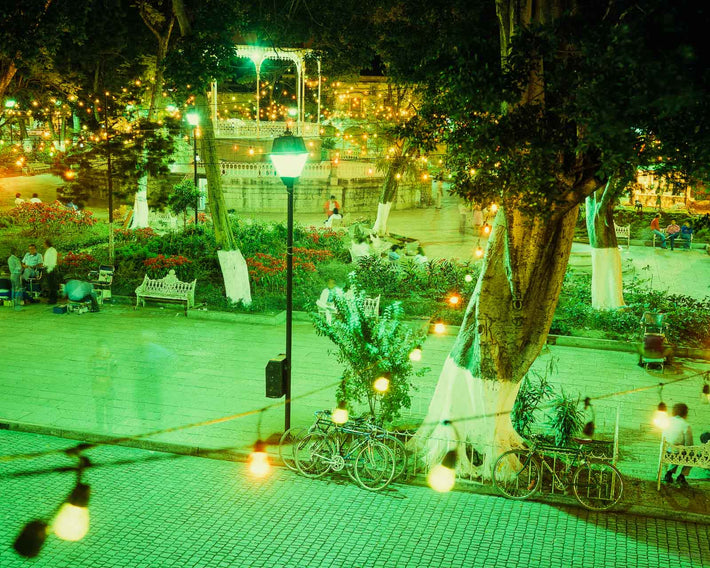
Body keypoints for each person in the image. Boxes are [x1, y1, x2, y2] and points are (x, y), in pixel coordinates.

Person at [663, 403, 693, 487]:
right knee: (692, 454)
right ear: (685, 413)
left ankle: (668, 474)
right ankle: (682, 476)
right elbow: (689, 445)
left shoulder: (667, 421)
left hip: (666, 452)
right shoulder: (686, 425)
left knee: (677, 451)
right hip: (677, 454)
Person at [43, 239, 59, 304]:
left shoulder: (52, 250)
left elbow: (52, 260)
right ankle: (51, 298)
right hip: (47, 268)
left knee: (52, 285)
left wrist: (50, 269)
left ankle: (53, 299)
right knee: (49, 285)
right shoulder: (48, 250)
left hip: (51, 269)